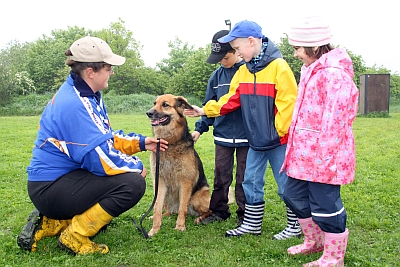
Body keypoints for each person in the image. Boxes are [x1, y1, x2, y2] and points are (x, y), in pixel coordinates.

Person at [16, 36, 168, 255]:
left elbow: (103, 138)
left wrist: (141, 143)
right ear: (90, 72)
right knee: (132, 183)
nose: (112, 73)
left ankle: (54, 221)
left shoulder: (88, 94)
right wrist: (136, 166)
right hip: (50, 189)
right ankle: (74, 235)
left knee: (123, 177)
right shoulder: (76, 104)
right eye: (108, 68)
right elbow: (99, 157)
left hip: (56, 182)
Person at [186, 20, 300, 239]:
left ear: (251, 42)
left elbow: (289, 103)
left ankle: (294, 226)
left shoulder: (279, 66)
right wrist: (204, 111)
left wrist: (279, 132)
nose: (237, 53)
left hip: (278, 140)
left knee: (285, 184)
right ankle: (251, 224)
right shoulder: (244, 71)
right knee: (250, 181)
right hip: (255, 140)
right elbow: (230, 99)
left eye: (237, 49)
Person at [281, 16, 359, 266]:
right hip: (303, 154)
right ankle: (314, 241)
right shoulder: (310, 70)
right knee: (292, 193)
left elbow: (335, 121)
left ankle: (334, 256)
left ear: (314, 47)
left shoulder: (335, 75)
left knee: (325, 203)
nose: (295, 54)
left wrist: (324, 160)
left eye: (297, 48)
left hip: (325, 157)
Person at [192, 30, 248, 227]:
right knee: (221, 175)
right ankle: (219, 211)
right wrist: (199, 128)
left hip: (246, 137)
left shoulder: (249, 72)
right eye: (219, 59)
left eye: (225, 57)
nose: (222, 62)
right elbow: (209, 105)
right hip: (223, 136)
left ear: (236, 51)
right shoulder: (216, 77)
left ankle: (245, 215)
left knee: (244, 178)